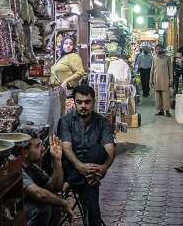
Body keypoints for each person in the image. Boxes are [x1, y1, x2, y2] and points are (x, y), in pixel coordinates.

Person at [59, 85, 116, 226]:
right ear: (74, 102)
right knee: (91, 185)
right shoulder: (66, 121)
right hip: (72, 166)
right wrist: (80, 166)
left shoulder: (103, 122)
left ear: (93, 102)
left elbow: (109, 149)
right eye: (79, 102)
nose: (83, 106)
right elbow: (66, 147)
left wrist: (104, 168)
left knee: (99, 150)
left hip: (93, 169)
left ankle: (70, 183)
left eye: (87, 102)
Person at [22, 134, 73, 226]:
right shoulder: (19, 167)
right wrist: (63, 202)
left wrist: (57, 160)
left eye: (41, 145)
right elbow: (38, 194)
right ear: (25, 152)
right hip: (15, 207)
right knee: (42, 210)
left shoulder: (31, 166)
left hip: (26, 202)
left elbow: (54, 186)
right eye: (38, 146)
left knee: (54, 205)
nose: (42, 149)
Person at [150, 44, 173, 117]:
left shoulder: (167, 58)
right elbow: (152, 70)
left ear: (162, 49)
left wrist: (171, 79)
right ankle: (160, 111)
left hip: (165, 79)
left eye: (159, 49)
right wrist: (151, 80)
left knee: (166, 96)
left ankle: (167, 111)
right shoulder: (154, 58)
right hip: (156, 80)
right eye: (156, 49)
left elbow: (170, 70)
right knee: (158, 96)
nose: (158, 50)